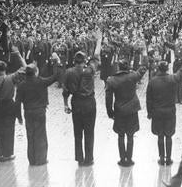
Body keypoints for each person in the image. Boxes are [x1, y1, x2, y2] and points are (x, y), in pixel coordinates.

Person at [62, 30, 101, 166]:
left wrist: (66, 105)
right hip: (90, 103)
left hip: (76, 103)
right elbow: (96, 55)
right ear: (84, 61)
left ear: (74, 61)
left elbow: (65, 91)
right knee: (90, 132)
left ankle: (79, 158)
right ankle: (89, 158)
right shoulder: (90, 70)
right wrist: (99, 39)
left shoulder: (68, 72)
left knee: (77, 133)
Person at [15, 60, 59, 166]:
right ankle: (41, 159)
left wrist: (19, 117)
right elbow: (54, 77)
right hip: (40, 112)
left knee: (30, 136)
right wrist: (57, 64)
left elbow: (17, 102)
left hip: (28, 112)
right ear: (35, 72)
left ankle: (32, 160)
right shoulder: (41, 81)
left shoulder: (21, 85)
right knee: (41, 135)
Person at [0, 55, 26, 162]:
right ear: (5, 69)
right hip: (9, 105)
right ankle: (8, 154)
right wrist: (19, 55)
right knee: (9, 129)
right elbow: (25, 68)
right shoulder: (11, 78)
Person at [105, 59, 147, 167]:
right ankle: (129, 158)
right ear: (127, 67)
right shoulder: (133, 76)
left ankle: (122, 158)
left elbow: (108, 99)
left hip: (119, 111)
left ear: (118, 67)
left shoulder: (111, 80)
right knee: (130, 135)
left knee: (120, 135)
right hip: (132, 110)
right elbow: (143, 68)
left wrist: (110, 113)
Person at [146, 59, 182, 166]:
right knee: (169, 135)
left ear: (158, 69)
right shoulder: (172, 79)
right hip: (170, 111)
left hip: (157, 112)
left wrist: (149, 112)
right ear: (167, 68)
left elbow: (148, 99)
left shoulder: (152, 81)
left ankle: (161, 157)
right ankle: (168, 158)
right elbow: (181, 71)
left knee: (160, 135)